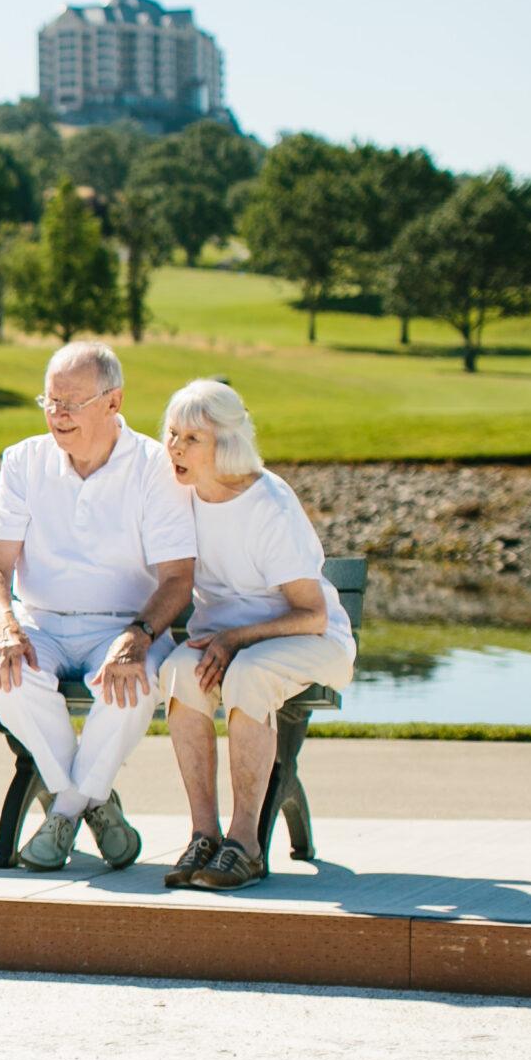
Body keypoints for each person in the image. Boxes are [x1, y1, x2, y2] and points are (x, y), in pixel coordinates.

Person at [0, 341, 196, 873]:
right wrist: (5, 627)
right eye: (50, 401)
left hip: (123, 628)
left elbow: (177, 579)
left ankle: (65, 810)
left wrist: (140, 635)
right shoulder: (23, 461)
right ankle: (94, 804)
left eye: (72, 402)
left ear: (114, 401)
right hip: (39, 623)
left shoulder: (153, 467)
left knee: (133, 684)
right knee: (4, 676)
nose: (58, 415)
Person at [157, 380, 355, 890]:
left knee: (247, 674)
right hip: (229, 641)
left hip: (310, 640)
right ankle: (204, 834)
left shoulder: (267, 502)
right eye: (172, 434)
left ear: (225, 444)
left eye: (191, 439)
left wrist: (236, 638)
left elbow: (312, 614)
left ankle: (245, 844)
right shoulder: (179, 497)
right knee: (179, 672)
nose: (176, 448)